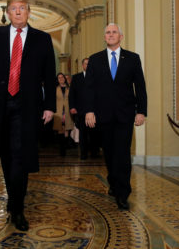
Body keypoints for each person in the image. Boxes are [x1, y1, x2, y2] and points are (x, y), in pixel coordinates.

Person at [0, 0, 56, 231]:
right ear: (7, 13)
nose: (18, 12)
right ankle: (13, 198)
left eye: (22, 8)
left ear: (29, 12)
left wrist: (49, 105)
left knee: (21, 156)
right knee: (6, 156)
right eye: (13, 9)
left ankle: (18, 209)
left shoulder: (42, 38)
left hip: (27, 107)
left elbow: (49, 74)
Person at [85, 23, 147, 210]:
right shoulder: (95, 60)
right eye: (108, 33)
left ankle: (122, 193)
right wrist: (89, 111)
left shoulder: (133, 59)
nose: (111, 35)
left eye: (114, 32)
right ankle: (113, 181)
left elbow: (140, 87)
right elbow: (89, 89)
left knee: (122, 154)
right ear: (104, 37)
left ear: (121, 36)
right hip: (103, 116)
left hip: (125, 115)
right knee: (110, 154)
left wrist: (142, 111)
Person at [69, 58, 100, 159]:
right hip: (81, 110)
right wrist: (72, 106)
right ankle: (83, 154)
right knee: (83, 134)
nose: (88, 65)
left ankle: (94, 153)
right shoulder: (76, 77)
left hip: (94, 110)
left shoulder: (96, 77)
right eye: (86, 64)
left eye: (89, 64)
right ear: (82, 65)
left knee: (94, 134)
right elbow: (72, 94)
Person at [53, 73, 73, 156]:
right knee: (60, 130)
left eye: (62, 77)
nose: (61, 78)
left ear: (65, 78)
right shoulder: (55, 89)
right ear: (57, 79)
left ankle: (65, 147)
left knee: (67, 130)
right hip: (58, 112)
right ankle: (62, 150)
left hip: (68, 112)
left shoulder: (70, 88)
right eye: (59, 77)